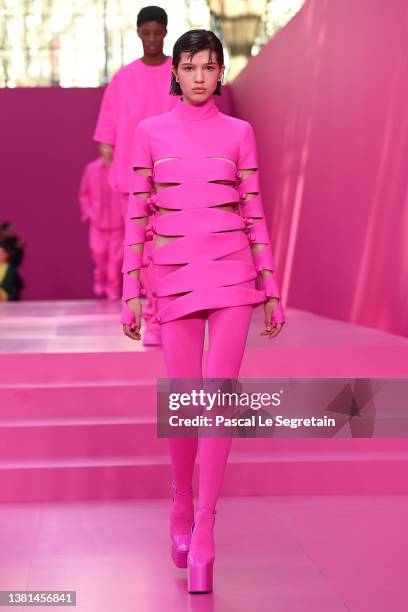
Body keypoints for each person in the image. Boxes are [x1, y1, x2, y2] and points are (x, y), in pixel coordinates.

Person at [121, 30, 285, 593]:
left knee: (219, 395)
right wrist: (130, 290)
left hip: (235, 276)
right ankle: (182, 500)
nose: (198, 75)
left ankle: (208, 523)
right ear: (175, 70)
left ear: (219, 73)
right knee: (185, 397)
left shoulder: (240, 133)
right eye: (188, 66)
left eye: (208, 66)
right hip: (173, 281)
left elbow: (254, 211)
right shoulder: (149, 132)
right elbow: (137, 216)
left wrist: (271, 286)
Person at [94, 5, 177, 344]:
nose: (153, 39)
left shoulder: (180, 71)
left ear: (166, 33)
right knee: (144, 251)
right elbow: (106, 139)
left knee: (170, 249)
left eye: (158, 32)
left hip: (174, 177)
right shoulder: (123, 79)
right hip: (136, 181)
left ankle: (168, 316)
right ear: (139, 33)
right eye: (147, 33)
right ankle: (155, 318)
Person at [79, 156, 124, 300]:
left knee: (115, 259)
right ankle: (100, 274)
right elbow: (84, 194)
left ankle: (113, 288)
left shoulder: (121, 168)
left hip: (118, 223)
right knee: (99, 253)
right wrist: (89, 212)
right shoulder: (91, 169)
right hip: (98, 222)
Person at [0, 235, 24, 301]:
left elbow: (6, 284)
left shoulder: (10, 269)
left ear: (7, 254)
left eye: (2, 253)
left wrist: (2, 293)